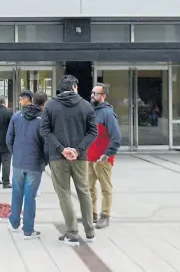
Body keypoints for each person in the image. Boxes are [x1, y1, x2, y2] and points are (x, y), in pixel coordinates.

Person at [40, 75, 98, 246]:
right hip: (80, 158)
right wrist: (78, 149)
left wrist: (62, 149)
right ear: (74, 87)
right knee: (84, 192)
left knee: (64, 194)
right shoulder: (86, 106)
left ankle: (72, 233)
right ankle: (90, 232)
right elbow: (92, 132)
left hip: (58, 157)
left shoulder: (50, 105)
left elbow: (44, 130)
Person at [6, 91, 48, 239]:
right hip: (35, 165)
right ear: (43, 104)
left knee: (17, 193)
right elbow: (46, 144)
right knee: (30, 196)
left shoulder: (16, 117)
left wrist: (16, 153)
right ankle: (28, 229)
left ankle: (14, 221)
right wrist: (45, 160)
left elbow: (8, 139)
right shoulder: (43, 119)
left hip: (18, 163)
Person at [88, 83, 121, 229]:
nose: (92, 96)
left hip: (102, 159)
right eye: (92, 93)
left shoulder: (107, 113)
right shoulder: (91, 112)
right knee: (88, 187)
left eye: (96, 93)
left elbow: (116, 137)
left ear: (103, 96)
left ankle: (105, 216)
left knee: (105, 189)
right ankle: (92, 214)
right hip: (90, 157)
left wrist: (107, 154)